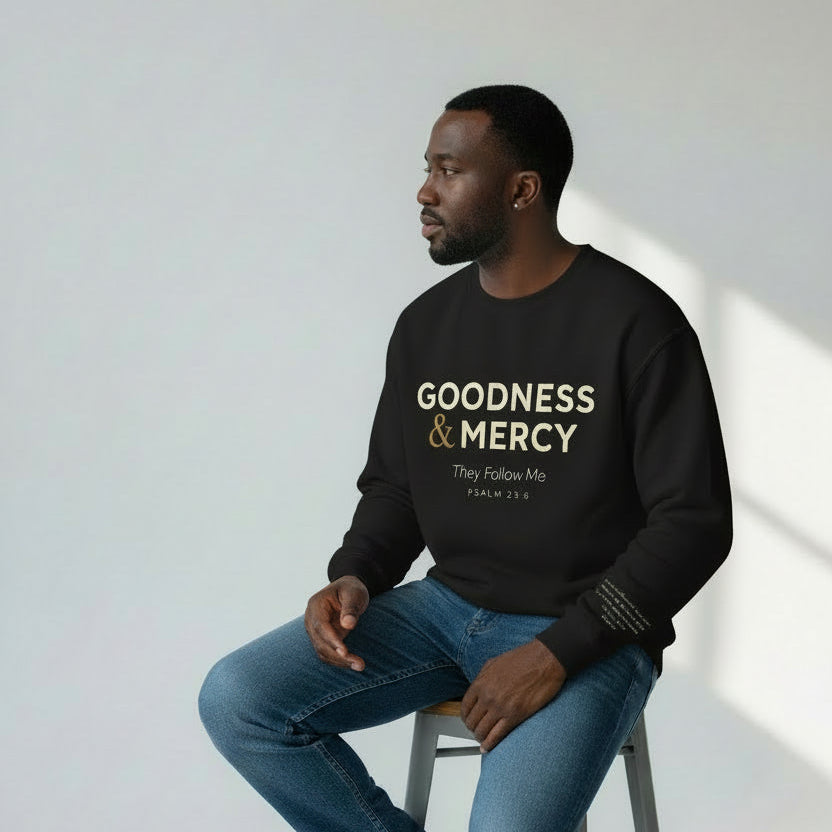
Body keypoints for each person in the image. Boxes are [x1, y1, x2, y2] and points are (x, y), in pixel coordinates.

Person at [198, 84, 732, 832]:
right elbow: (396, 487)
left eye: (448, 171)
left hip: (587, 631)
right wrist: (355, 574)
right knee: (237, 700)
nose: (424, 190)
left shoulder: (636, 323)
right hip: (444, 614)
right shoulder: (426, 327)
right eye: (428, 168)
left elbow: (695, 525)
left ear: (521, 190)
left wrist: (557, 651)